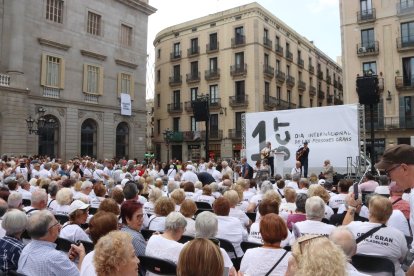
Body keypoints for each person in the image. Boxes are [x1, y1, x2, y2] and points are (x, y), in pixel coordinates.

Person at [343, 195, 408, 276]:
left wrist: (352, 207)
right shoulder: (398, 235)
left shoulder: (354, 227)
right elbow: (402, 258)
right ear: (390, 214)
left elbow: (343, 230)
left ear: (369, 212)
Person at [17, 210, 85, 276]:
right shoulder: (56, 258)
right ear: (51, 230)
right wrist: (82, 255)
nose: (59, 226)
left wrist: (66, 260)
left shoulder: (26, 248)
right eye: (57, 223)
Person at [194, 211, 236, 276]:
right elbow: (231, 274)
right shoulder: (220, 252)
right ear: (215, 229)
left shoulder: (185, 247)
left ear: (196, 226)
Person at [80, 211, 119, 276]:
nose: (119, 231)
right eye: (117, 228)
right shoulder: (113, 262)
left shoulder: (88, 256)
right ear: (112, 233)